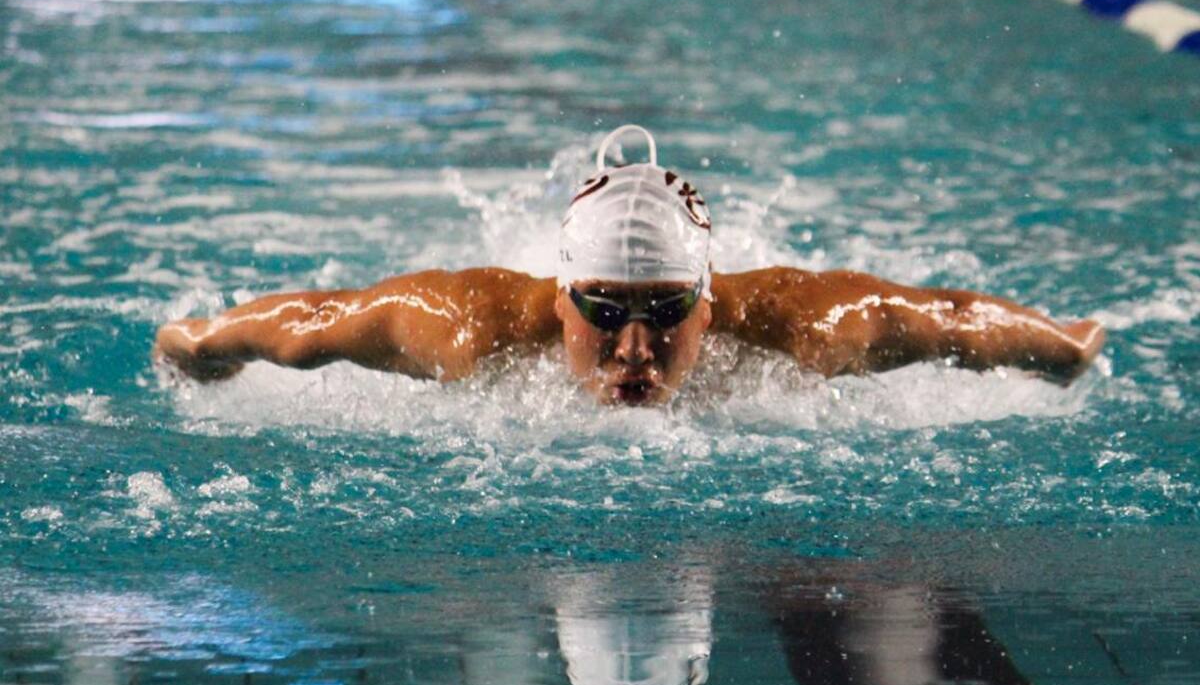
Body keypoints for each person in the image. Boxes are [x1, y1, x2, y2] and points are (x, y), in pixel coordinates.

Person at [154, 125, 1105, 406]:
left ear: (708, 301)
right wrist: (203, 345)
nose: (635, 350)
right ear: (562, 298)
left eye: (664, 313)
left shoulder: (803, 327)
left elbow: (943, 318)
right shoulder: (469, 326)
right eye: (604, 312)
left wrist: (1061, 349)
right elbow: (315, 323)